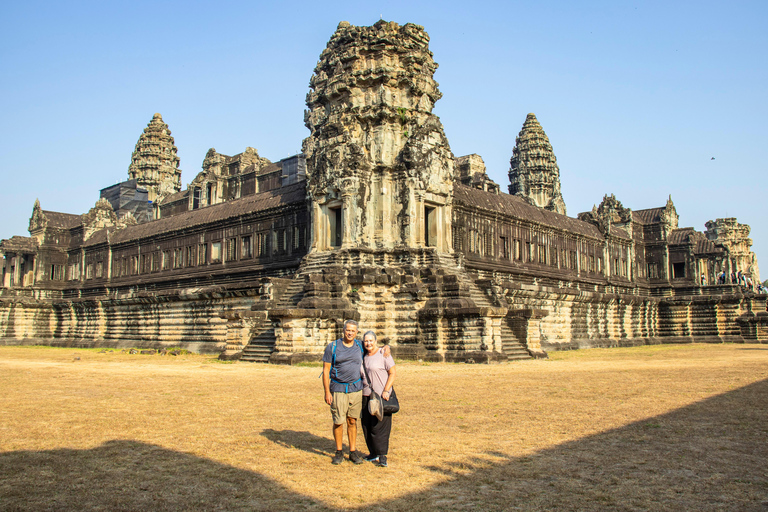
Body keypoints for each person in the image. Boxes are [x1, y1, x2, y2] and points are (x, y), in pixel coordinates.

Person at [322, 319, 366, 465]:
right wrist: (327, 392)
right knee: (338, 421)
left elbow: (374, 349)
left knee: (352, 420)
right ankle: (339, 451)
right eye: (348, 330)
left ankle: (353, 452)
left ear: (357, 332)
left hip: (355, 389)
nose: (350, 333)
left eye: (353, 331)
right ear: (343, 330)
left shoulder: (360, 345)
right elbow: (326, 370)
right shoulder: (333, 347)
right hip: (338, 389)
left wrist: (386, 348)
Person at [360, 330, 396, 468]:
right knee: (367, 424)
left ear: (375, 341)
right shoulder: (362, 354)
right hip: (365, 394)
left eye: (371, 340)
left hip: (381, 395)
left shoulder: (383, 353)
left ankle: (382, 456)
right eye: (366, 341)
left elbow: (392, 372)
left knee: (380, 425)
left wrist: (386, 390)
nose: (368, 343)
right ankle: (373, 453)